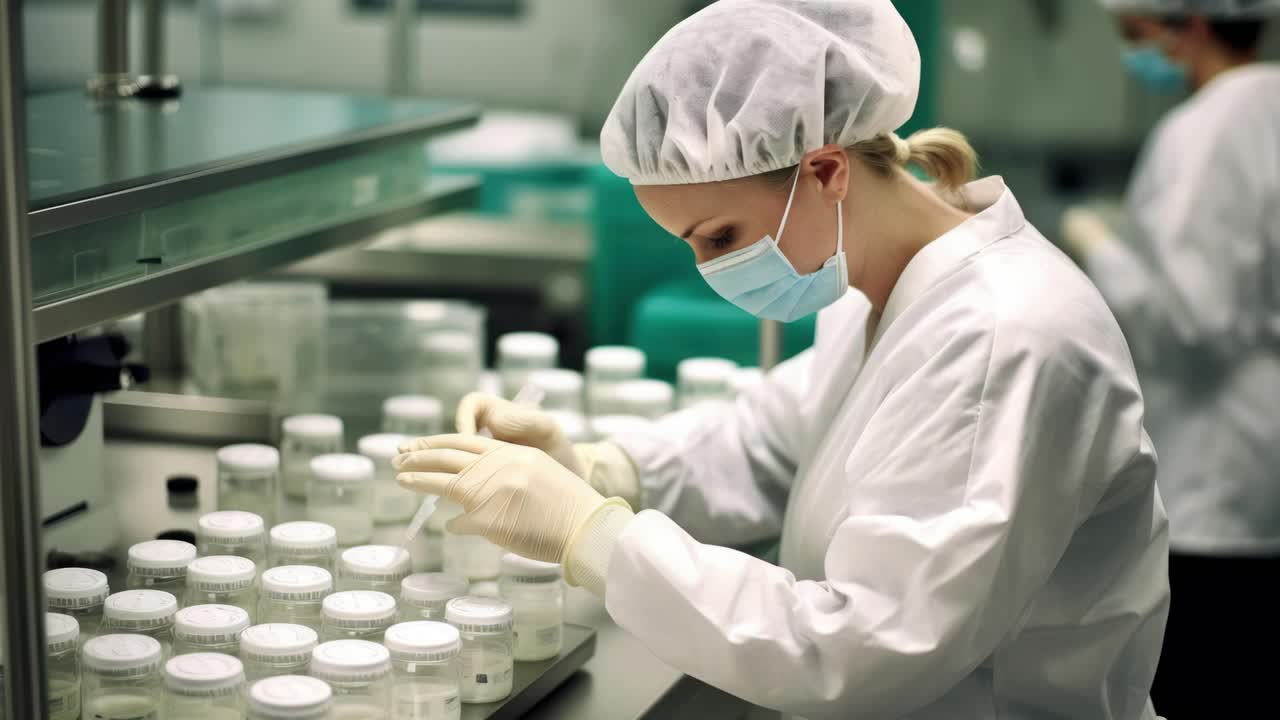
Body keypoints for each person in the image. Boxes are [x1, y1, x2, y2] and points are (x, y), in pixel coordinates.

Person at [396, 1, 1170, 717]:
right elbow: (769, 443)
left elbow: (861, 647)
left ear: (827, 170)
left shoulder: (1003, 338)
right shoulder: (884, 293)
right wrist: (597, 469)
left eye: (721, 236)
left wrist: (590, 534)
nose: (710, 270)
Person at [1065, 1, 1280, 715]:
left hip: (1213, 468)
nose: (1135, 55)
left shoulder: (1203, 130)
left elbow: (1196, 321)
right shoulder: (1266, 108)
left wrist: (1100, 247)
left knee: (1205, 675)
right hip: (1254, 456)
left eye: (1136, 35)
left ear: (1190, 26)